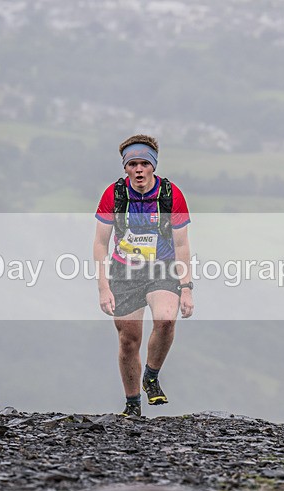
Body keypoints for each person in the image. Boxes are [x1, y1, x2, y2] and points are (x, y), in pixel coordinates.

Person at [93, 134, 194, 417]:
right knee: (129, 339)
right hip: (124, 271)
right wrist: (103, 287)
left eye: (144, 164)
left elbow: (182, 245)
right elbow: (100, 243)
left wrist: (186, 288)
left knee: (166, 319)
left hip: (162, 267)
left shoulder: (170, 195)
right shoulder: (114, 195)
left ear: (153, 166)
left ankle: (151, 375)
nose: (138, 170)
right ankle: (132, 405)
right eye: (132, 164)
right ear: (125, 167)